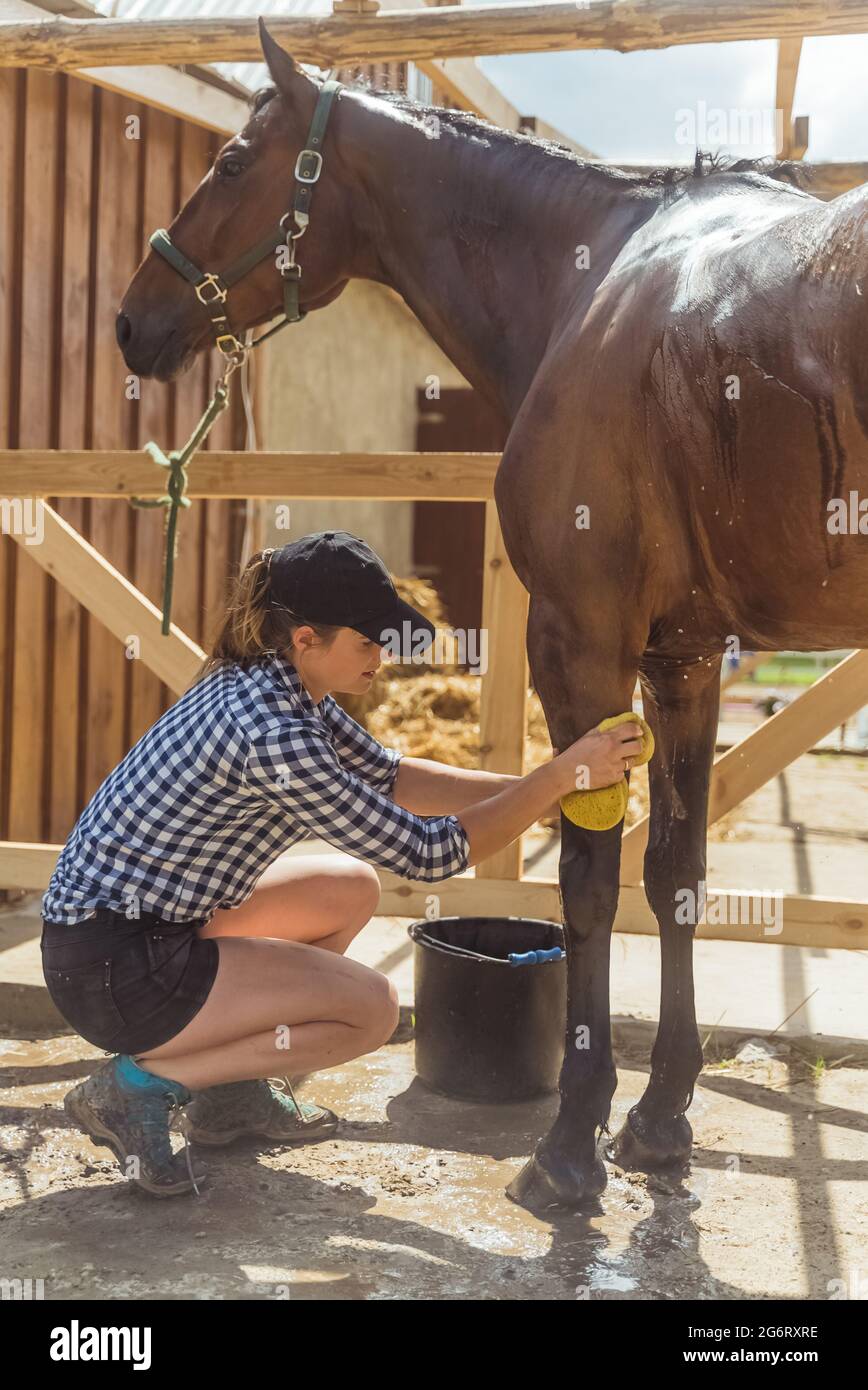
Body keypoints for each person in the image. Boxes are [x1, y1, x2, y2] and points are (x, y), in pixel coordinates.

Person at [41, 530, 643, 1197]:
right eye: (366, 642)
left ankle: (228, 1094)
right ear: (305, 639)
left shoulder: (276, 683)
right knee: (370, 1012)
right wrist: (556, 781)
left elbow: (392, 778)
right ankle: (136, 1088)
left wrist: (548, 784)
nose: (381, 660)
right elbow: (429, 850)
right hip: (116, 969)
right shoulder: (272, 732)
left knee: (348, 886)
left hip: (139, 927)